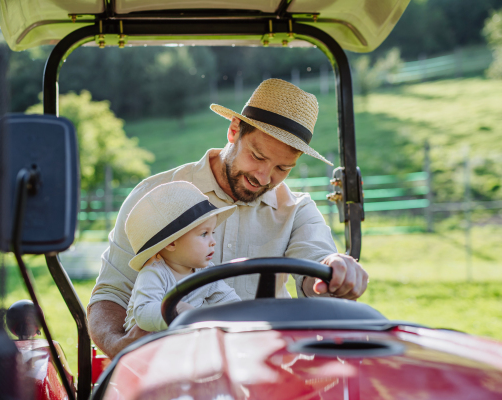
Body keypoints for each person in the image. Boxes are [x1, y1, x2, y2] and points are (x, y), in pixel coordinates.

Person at [88, 78, 369, 358]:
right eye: (257, 156)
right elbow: (111, 293)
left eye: (282, 168)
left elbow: (315, 269)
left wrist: (335, 271)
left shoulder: (297, 211)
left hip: (264, 365)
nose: (263, 177)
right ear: (234, 131)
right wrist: (117, 346)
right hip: (172, 367)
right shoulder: (155, 197)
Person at [122, 181, 240, 333]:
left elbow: (230, 301)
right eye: (204, 234)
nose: (213, 242)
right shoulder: (154, 272)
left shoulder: (205, 272)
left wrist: (243, 314)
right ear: (171, 243)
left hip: (181, 343)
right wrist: (176, 309)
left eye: (213, 233)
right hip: (145, 345)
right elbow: (143, 313)